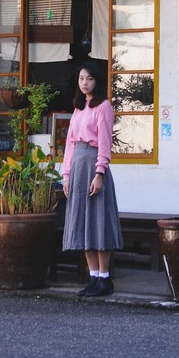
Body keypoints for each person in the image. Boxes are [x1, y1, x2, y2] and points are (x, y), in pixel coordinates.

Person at [61, 58, 123, 297]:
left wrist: (100, 173)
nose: (85, 83)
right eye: (81, 79)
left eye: (89, 78)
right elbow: (70, 144)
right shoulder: (78, 107)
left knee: (98, 221)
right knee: (81, 222)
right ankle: (93, 276)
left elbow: (105, 144)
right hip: (77, 166)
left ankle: (105, 278)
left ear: (97, 81)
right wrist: (66, 175)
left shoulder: (104, 107)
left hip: (93, 164)